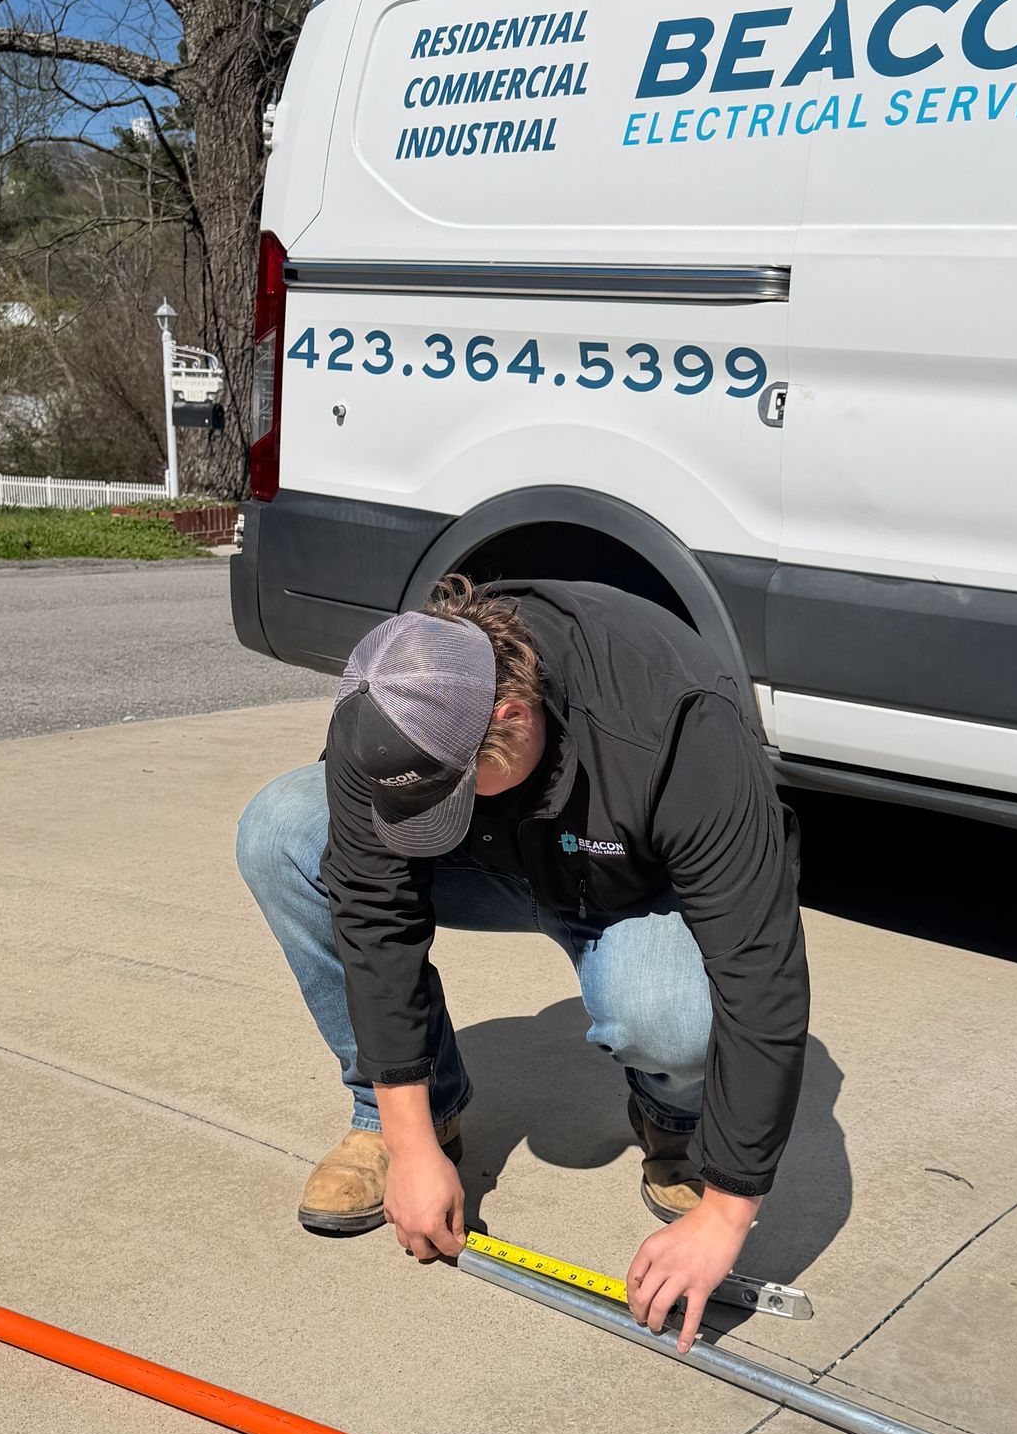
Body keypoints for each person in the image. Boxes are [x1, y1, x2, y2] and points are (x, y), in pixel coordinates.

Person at [236, 573, 808, 1350]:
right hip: (488, 866)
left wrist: (726, 1211)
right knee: (280, 832)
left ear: (511, 715)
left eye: (445, 794)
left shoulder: (677, 725)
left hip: (626, 884)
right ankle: (410, 1111)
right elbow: (374, 913)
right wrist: (410, 1144)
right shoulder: (390, 698)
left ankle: (674, 1121)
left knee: (672, 1017)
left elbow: (760, 970)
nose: (420, 818)